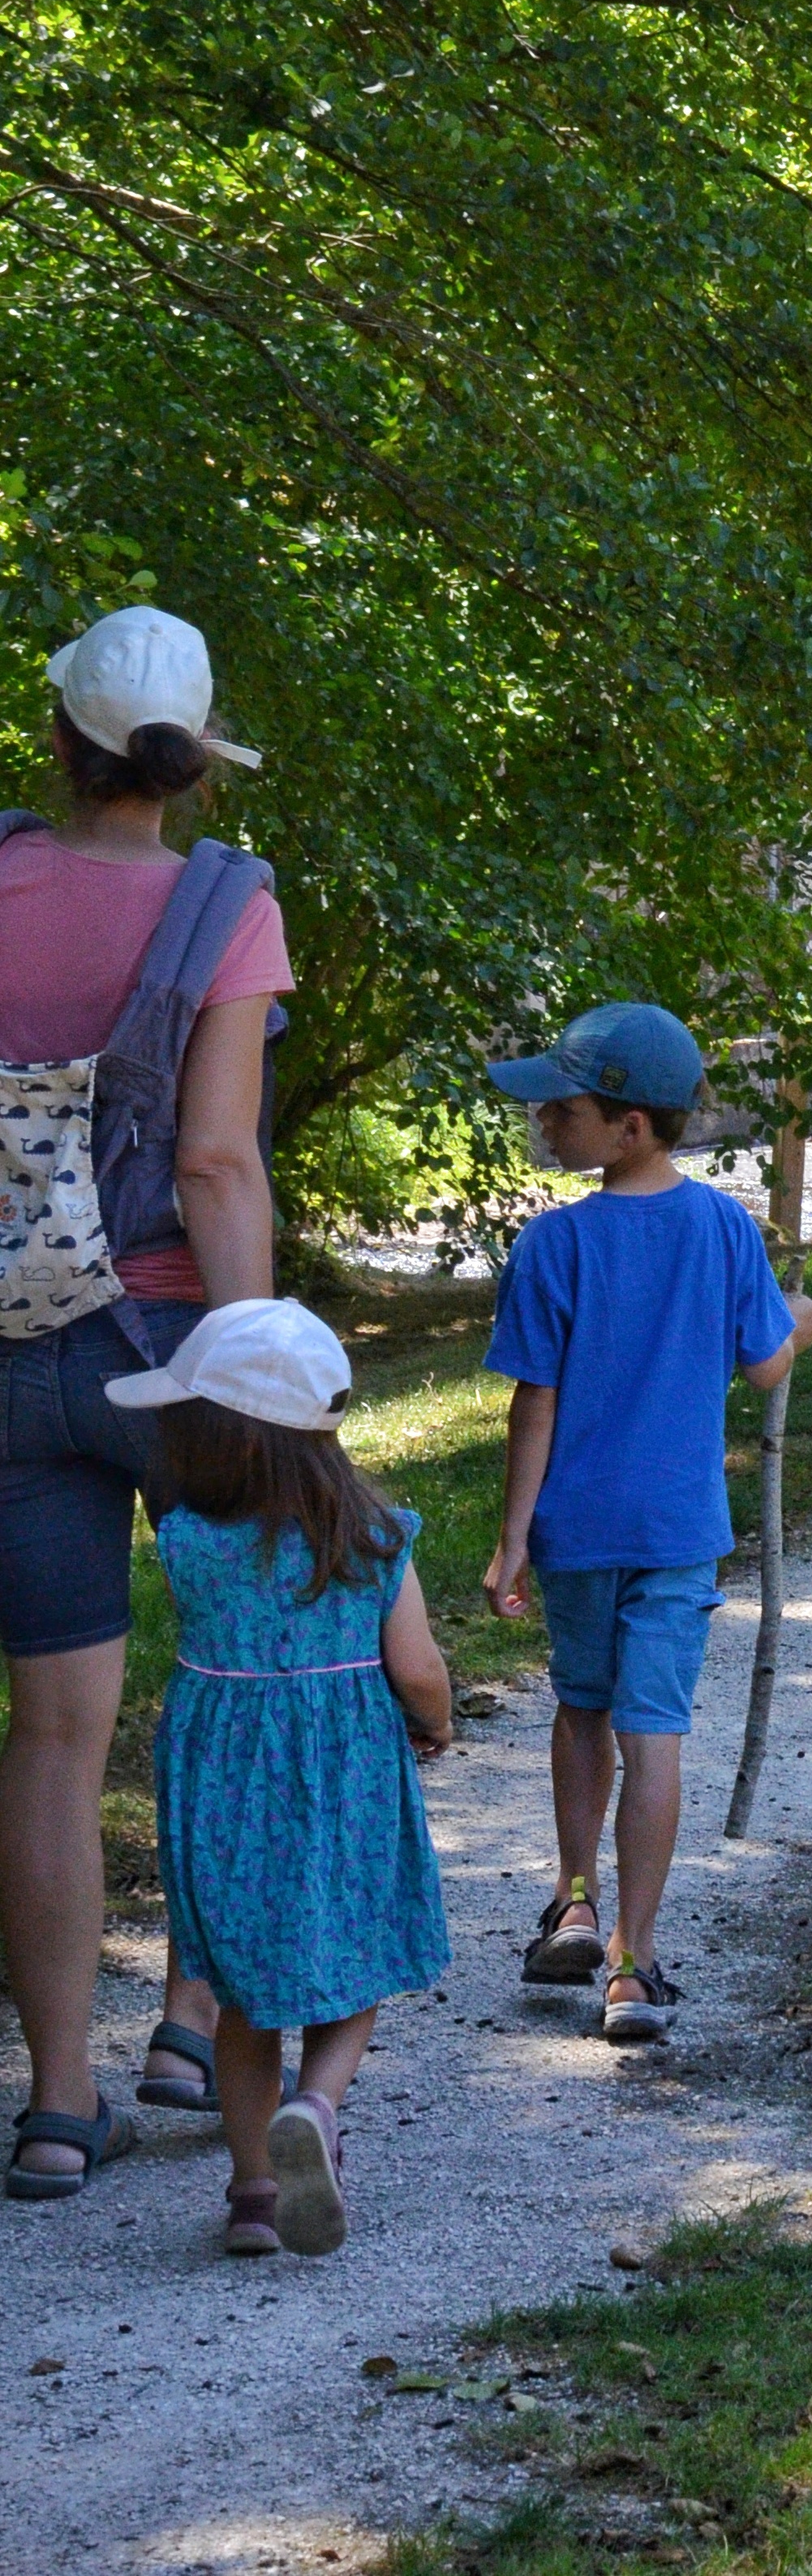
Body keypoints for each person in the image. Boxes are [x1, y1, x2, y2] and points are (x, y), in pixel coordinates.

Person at [0, 604, 289, 2200]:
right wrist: (256, 1376)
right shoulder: (224, 906)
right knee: (231, 1678)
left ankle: (56, 2103)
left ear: (60, 736)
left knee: (51, 1733)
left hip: (4, 1347)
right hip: (165, 1336)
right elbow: (214, 1161)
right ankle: (191, 2019)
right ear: (185, 759)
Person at [481, 1003, 812, 2039]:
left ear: (629, 1125)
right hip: (678, 1529)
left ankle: (574, 1895)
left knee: (581, 1708)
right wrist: (797, 1322)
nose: (544, 1116)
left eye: (564, 1105)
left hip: (577, 1527)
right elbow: (764, 1363)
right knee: (653, 1733)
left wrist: (512, 1536)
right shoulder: (722, 1226)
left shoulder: (553, 1242)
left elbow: (532, 1400)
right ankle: (633, 1959)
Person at [110, 1298, 453, 2256]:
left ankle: (255, 2190)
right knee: (359, 1955)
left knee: (241, 1995)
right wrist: (434, 1721)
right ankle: (319, 2102)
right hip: (341, 1773)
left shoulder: (186, 1539)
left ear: (213, 1438)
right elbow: (418, 1668)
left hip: (222, 1776)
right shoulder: (376, 1536)